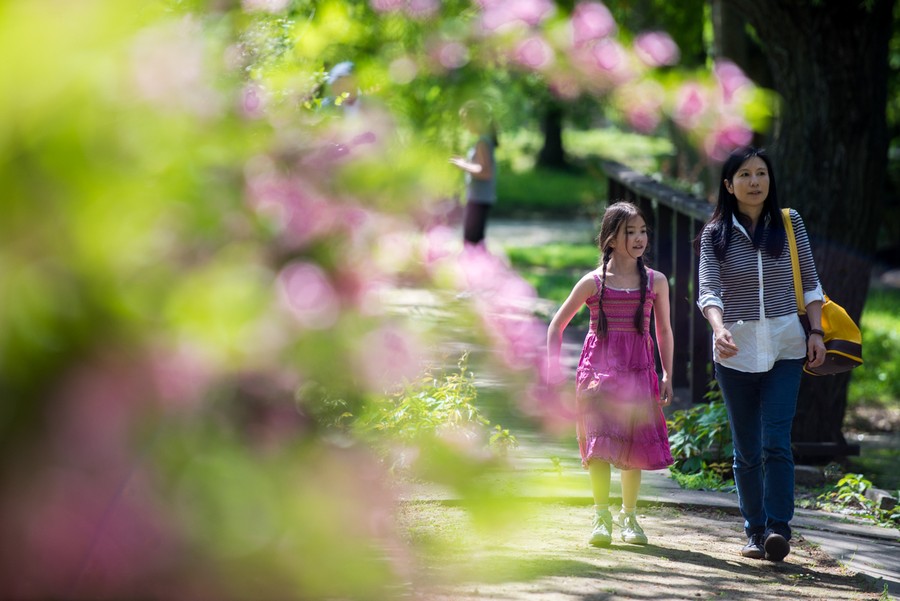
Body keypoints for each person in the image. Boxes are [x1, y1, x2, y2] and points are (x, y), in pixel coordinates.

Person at [696, 146, 826, 562]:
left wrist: (817, 332)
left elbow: (809, 283)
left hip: (787, 347)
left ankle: (778, 530)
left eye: (762, 174)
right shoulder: (714, 234)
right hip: (735, 354)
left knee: (776, 441)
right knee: (747, 449)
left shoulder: (790, 223)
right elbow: (709, 290)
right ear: (728, 185)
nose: (755, 182)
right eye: (746, 175)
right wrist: (719, 330)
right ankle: (753, 530)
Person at [547, 201, 674, 548]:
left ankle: (629, 516)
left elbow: (663, 331)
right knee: (600, 444)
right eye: (629, 232)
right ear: (610, 239)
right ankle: (600, 514)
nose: (639, 238)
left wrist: (667, 374)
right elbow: (556, 326)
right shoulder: (592, 283)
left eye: (643, 231)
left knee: (633, 445)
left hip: (639, 372)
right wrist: (551, 374)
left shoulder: (656, 282)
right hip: (598, 374)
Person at [449, 100, 498, 246]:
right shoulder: (484, 140)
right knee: (475, 240)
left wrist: (463, 165)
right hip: (480, 197)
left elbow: (485, 172)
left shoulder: (482, 142)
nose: (464, 125)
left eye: (466, 121)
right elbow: (481, 167)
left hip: (479, 198)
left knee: (471, 242)